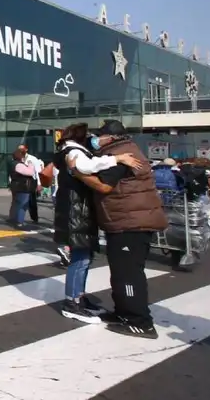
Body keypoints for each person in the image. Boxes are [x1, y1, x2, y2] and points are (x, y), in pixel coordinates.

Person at [51, 123, 142, 322]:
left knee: (85, 257)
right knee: (80, 258)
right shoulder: (73, 151)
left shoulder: (73, 150)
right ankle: (72, 303)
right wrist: (117, 158)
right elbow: (85, 167)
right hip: (76, 212)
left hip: (79, 211)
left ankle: (79, 298)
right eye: (92, 135)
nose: (95, 138)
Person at [88, 120, 168, 339]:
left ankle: (140, 322)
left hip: (131, 223)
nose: (96, 139)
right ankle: (123, 313)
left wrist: (79, 172)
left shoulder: (122, 154)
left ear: (111, 138)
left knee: (128, 274)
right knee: (121, 272)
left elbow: (104, 185)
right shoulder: (121, 151)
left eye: (100, 135)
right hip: (126, 220)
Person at [9, 149, 36, 229]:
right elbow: (30, 172)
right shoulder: (19, 165)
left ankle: (15, 219)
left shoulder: (13, 164)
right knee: (23, 204)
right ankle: (19, 222)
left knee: (17, 203)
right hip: (22, 187)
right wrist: (31, 164)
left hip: (16, 186)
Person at [19, 144, 44, 224]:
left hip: (32, 181)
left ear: (26, 149)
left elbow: (38, 172)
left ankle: (34, 217)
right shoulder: (18, 159)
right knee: (21, 200)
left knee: (31, 201)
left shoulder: (32, 159)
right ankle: (19, 218)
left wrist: (39, 184)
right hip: (22, 181)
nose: (20, 150)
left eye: (22, 149)